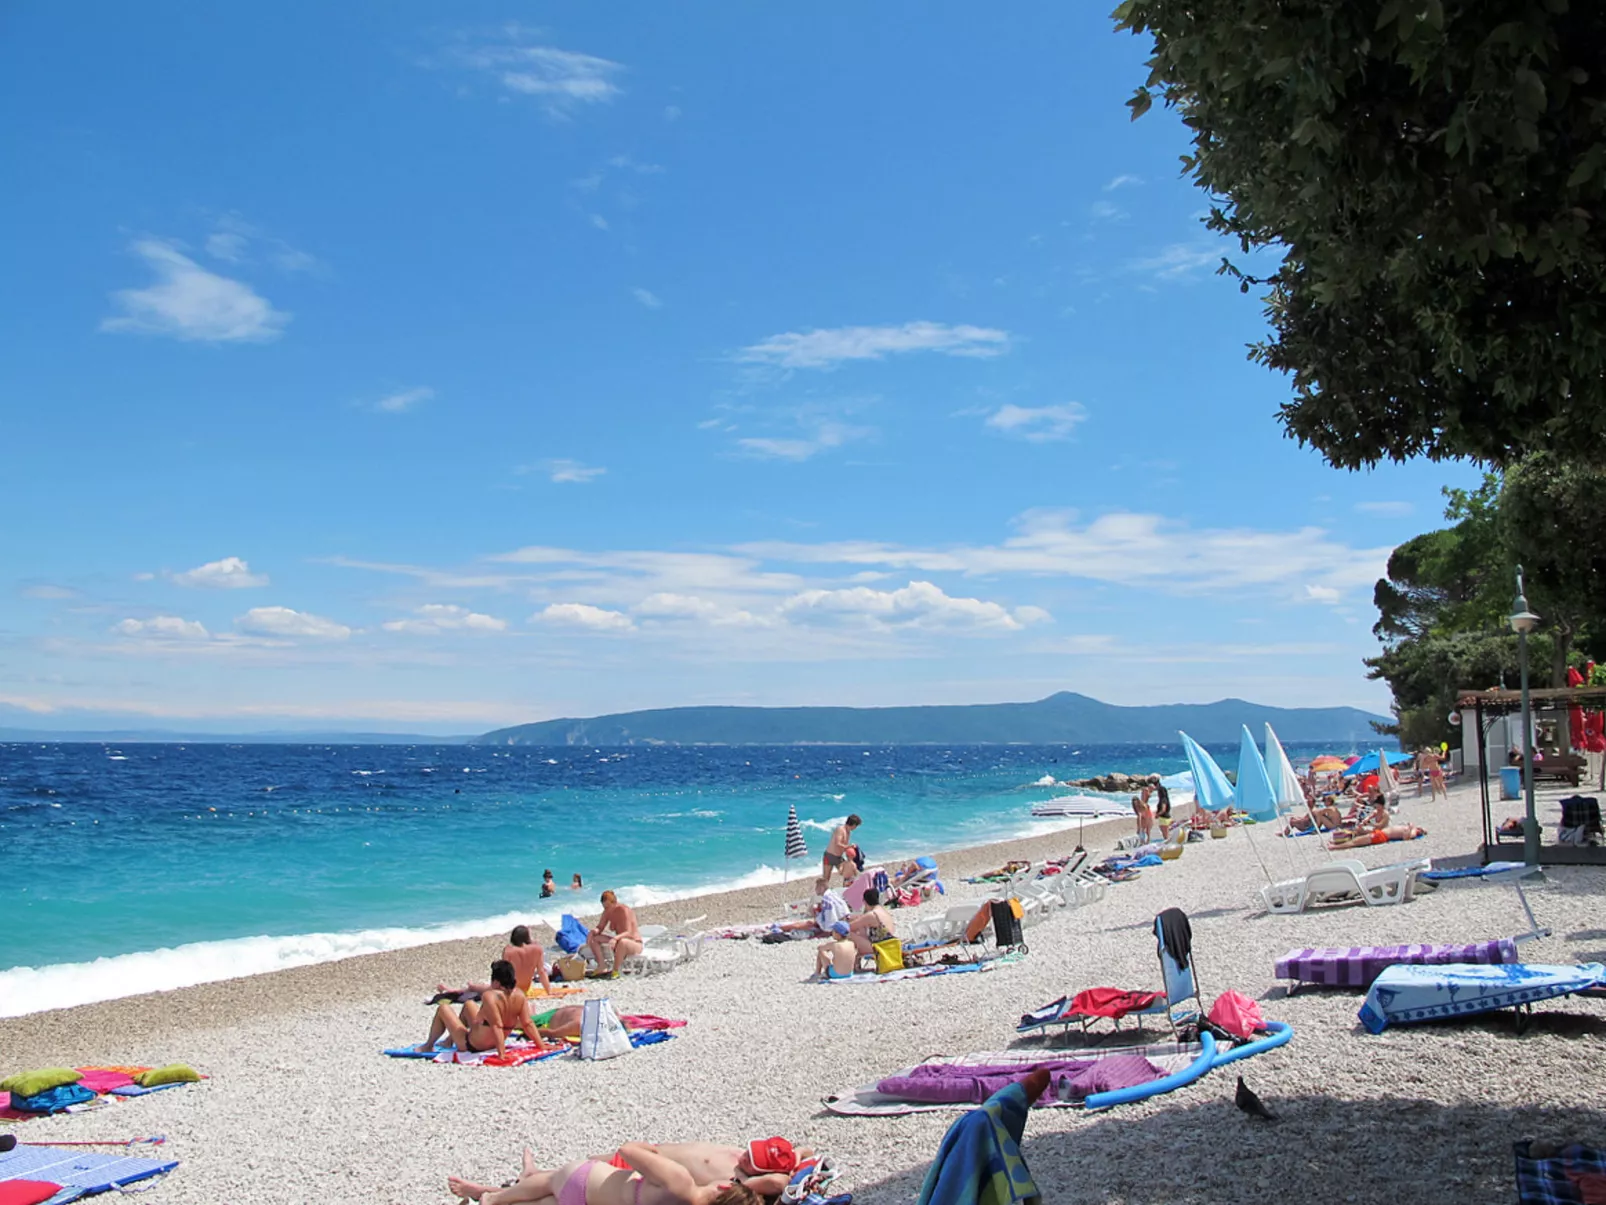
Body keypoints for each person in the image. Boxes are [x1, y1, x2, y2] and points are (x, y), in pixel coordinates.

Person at [450, 1139, 803, 1205]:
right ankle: (485, 1194)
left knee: (543, 1183)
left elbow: (627, 1150)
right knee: (536, 1195)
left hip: (589, 1179)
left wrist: (646, 1150)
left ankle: (490, 1196)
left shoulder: (682, 1183)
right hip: (593, 1200)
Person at [416, 960, 535, 1059]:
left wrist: (501, 1054)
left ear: (496, 982)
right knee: (469, 1004)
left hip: (472, 1046)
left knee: (443, 1008)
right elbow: (528, 1023)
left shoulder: (490, 996)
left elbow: (496, 1026)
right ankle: (449, 1040)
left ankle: (428, 1045)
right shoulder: (519, 995)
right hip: (493, 1042)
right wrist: (542, 1046)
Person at [585, 890, 644, 978]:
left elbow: (629, 933)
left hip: (634, 943)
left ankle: (615, 970)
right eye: (604, 907)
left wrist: (615, 939)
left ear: (615, 903)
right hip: (618, 941)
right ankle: (601, 966)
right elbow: (600, 927)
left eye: (608, 906)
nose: (606, 909)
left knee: (623, 942)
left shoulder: (624, 910)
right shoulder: (607, 912)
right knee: (595, 939)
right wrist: (592, 932)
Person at [815, 814, 862, 894]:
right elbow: (838, 843)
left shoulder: (848, 832)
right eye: (856, 826)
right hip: (829, 856)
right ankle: (820, 894)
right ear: (853, 824)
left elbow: (843, 847)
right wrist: (849, 846)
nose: (855, 828)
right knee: (826, 878)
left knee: (848, 873)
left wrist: (851, 851)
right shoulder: (840, 829)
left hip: (838, 857)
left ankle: (847, 892)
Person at [845, 886, 895, 961]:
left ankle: (849, 961)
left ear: (865, 902)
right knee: (861, 927)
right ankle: (856, 962)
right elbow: (862, 921)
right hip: (890, 945)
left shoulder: (872, 915)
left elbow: (848, 928)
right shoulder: (882, 911)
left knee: (848, 933)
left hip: (880, 948)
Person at [1328, 823, 1426, 850]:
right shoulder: (1413, 828)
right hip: (1381, 833)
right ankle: (1336, 842)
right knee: (1357, 837)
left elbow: (1406, 838)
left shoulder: (1414, 831)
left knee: (1356, 842)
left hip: (1382, 836)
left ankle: (1335, 847)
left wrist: (1410, 828)